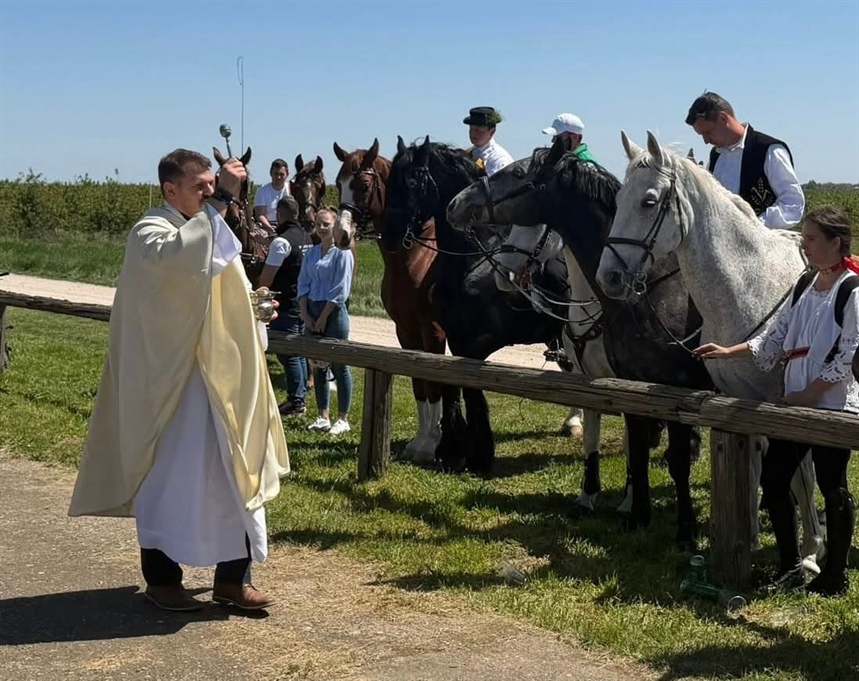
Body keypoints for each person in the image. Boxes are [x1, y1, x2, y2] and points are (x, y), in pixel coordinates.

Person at [68, 148, 290, 612]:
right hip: (176, 389)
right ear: (171, 190)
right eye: (201, 187)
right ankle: (163, 578)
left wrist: (255, 310)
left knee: (235, 476)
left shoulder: (212, 227)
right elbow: (180, 266)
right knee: (171, 480)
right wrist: (226, 197)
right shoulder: (150, 232)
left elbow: (224, 287)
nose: (210, 193)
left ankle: (234, 578)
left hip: (226, 385)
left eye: (213, 185)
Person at [694, 206, 859, 596]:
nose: (805, 246)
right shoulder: (805, 285)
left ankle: (834, 575)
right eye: (804, 238)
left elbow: (850, 356)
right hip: (797, 403)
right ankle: (790, 566)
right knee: (774, 477)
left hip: (833, 404)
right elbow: (774, 336)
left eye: (812, 239)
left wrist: (808, 393)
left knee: (831, 483)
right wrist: (728, 351)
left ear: (835, 243)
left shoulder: (852, 290)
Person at [685, 92, 805, 229]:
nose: (706, 141)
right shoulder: (715, 156)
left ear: (723, 118)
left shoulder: (769, 150)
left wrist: (754, 228)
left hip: (768, 247)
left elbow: (793, 204)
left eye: (707, 132)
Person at [298, 207, 354, 436]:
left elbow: (341, 288)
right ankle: (323, 415)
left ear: (335, 226)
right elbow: (302, 282)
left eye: (326, 224)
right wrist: (305, 314)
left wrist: (322, 317)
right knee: (317, 365)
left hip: (333, 311)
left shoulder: (343, 253)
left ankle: (343, 418)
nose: (321, 228)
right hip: (311, 308)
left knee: (340, 365)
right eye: (318, 224)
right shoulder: (310, 253)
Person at [258, 196, 313, 416]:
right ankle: (300, 396)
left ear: (279, 215)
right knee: (298, 352)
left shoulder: (282, 242)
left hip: (286, 304)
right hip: (303, 301)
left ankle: (296, 401)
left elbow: (267, 278)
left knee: (288, 354)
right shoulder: (306, 236)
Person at [463, 106, 514, 176]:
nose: (472, 133)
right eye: (471, 129)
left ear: (492, 132)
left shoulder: (499, 159)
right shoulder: (468, 153)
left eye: (478, 130)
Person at [253, 158, 291, 234]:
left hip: (288, 226)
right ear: (271, 174)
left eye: (281, 174)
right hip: (267, 226)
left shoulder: (292, 190)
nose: (278, 177)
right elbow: (260, 214)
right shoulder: (262, 191)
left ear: (287, 175)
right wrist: (269, 228)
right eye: (276, 174)